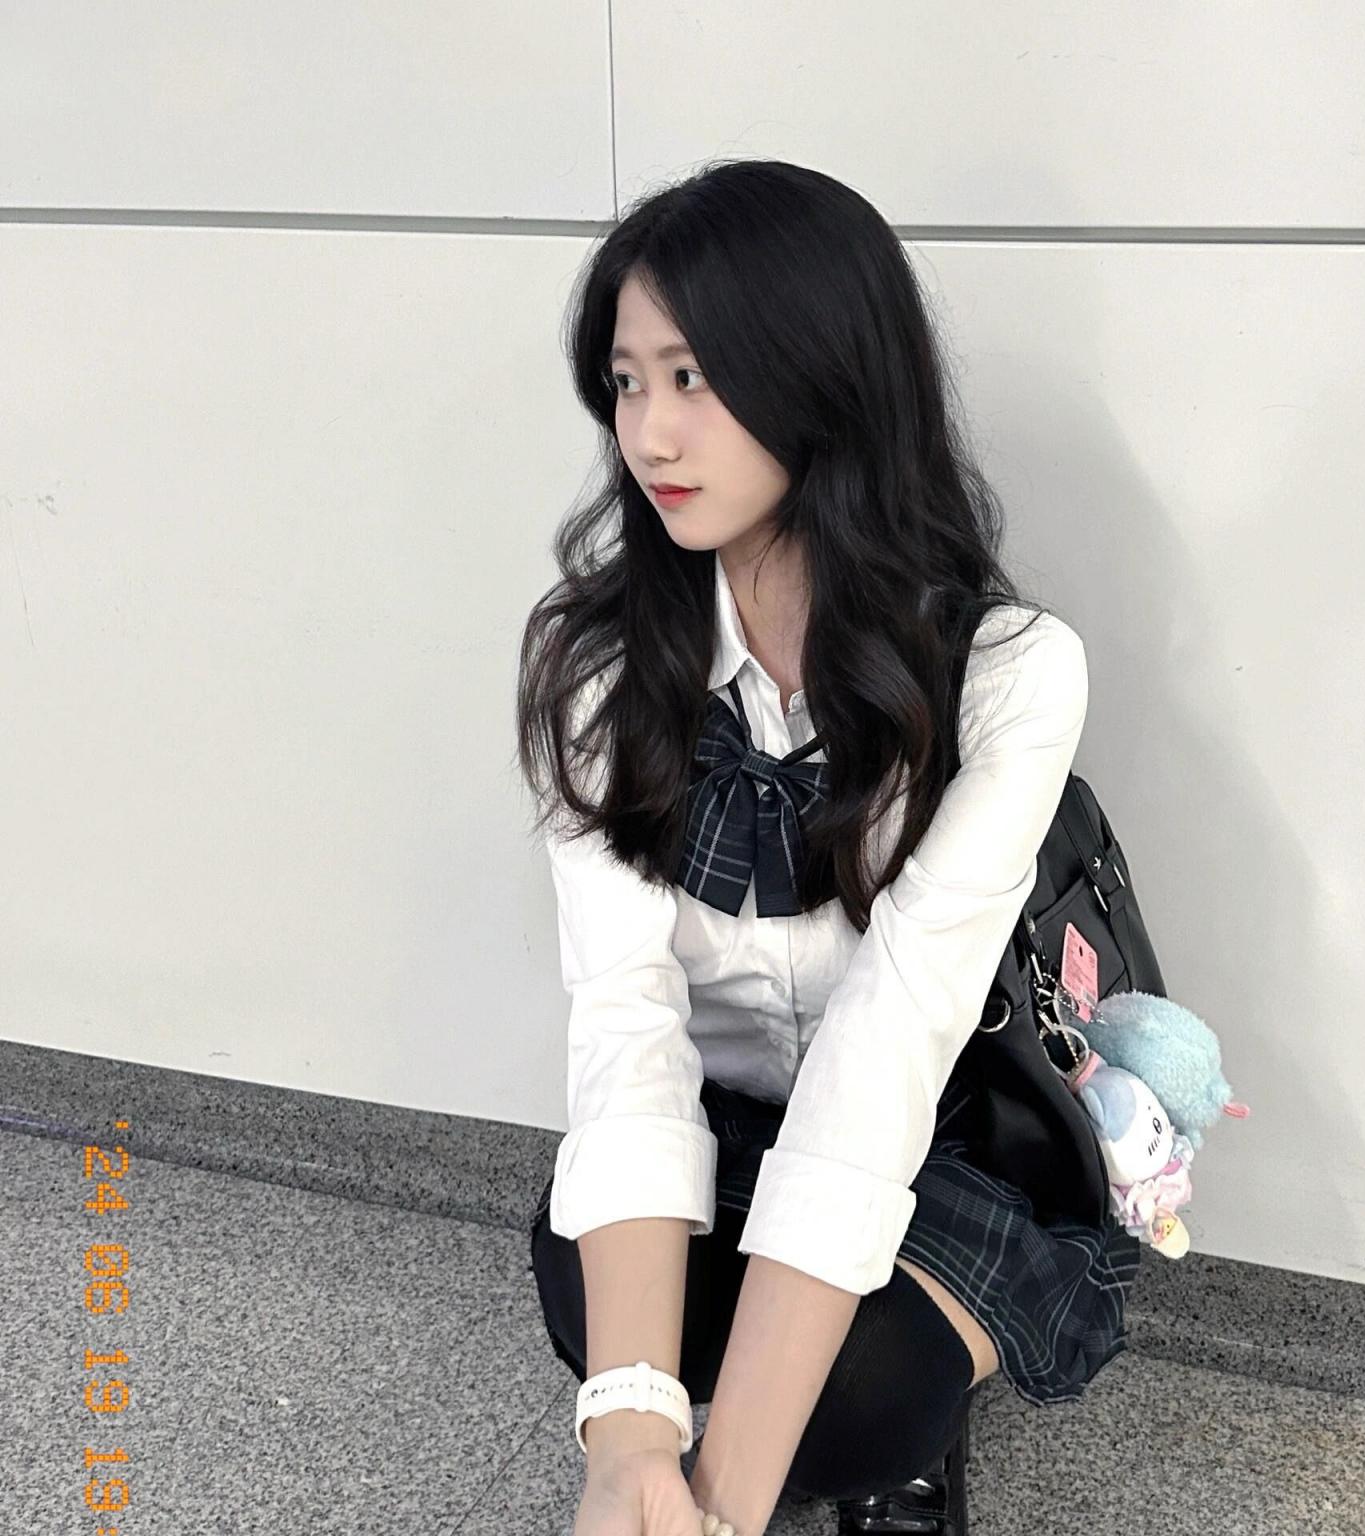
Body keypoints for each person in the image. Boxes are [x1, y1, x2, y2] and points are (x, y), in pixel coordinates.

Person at [514, 158, 1141, 1536]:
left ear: (822, 373)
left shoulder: (1008, 674)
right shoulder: (597, 667)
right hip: (729, 1112)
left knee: (860, 1397)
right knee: (590, 1295)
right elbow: (625, 1022)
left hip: (943, 1126)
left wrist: (724, 1505)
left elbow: (888, 1047)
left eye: (692, 378)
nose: (649, 434)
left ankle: (898, 1444)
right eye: (625, 382)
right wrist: (628, 1439)